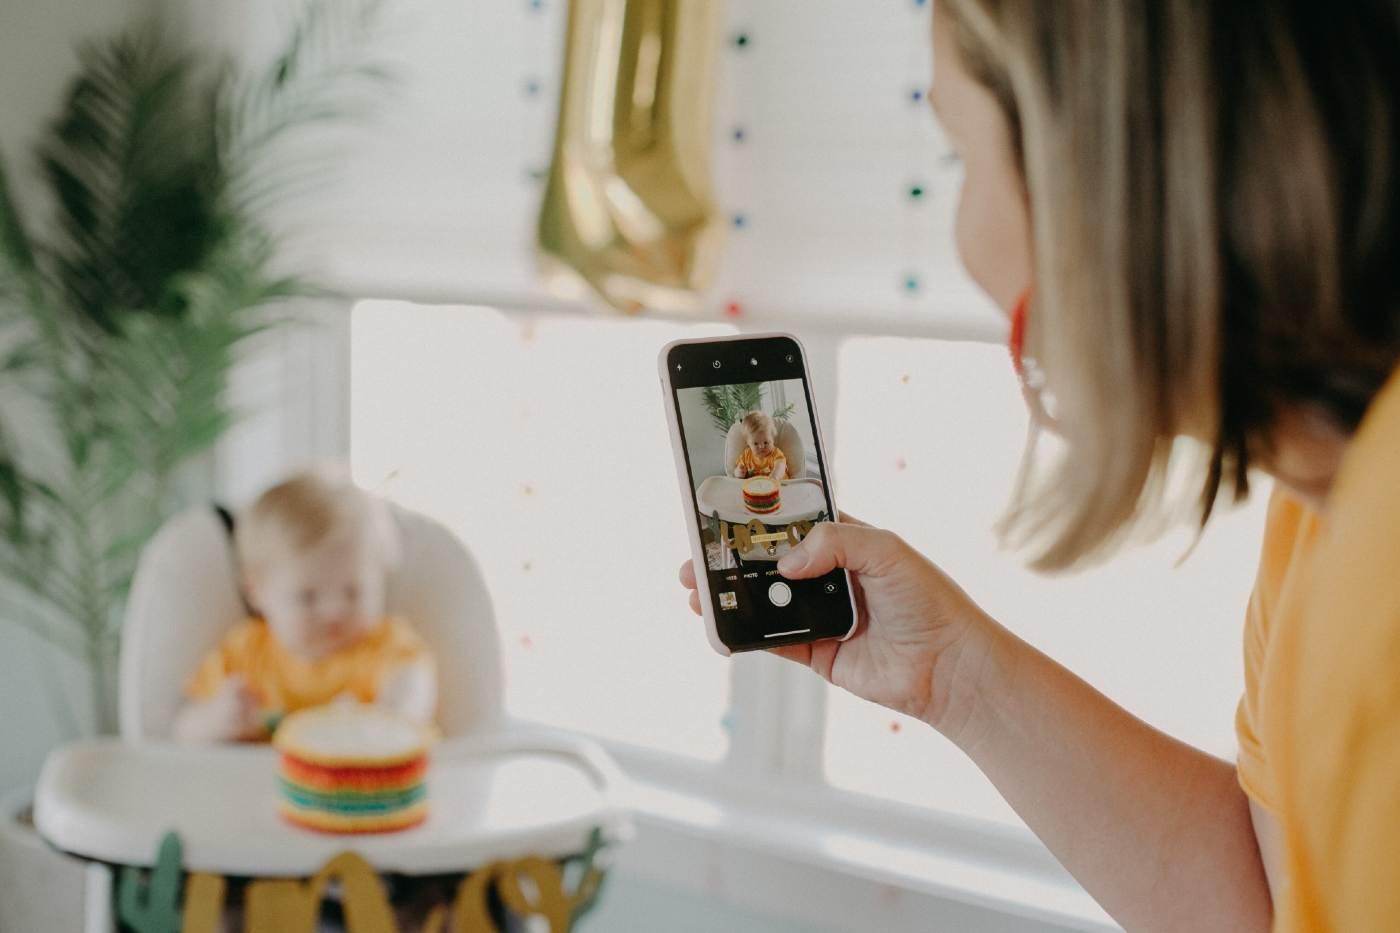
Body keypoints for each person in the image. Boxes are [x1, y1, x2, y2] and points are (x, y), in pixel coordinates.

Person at [680, 2, 1399, 930]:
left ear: (1102, 180)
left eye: (961, 157)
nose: (964, 245)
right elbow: (1272, 898)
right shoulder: (1317, 516)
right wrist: (955, 673)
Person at [174, 469, 437, 742]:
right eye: (307, 597)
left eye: (353, 592)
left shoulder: (384, 646)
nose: (335, 610)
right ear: (256, 593)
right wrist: (216, 719)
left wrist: (393, 712)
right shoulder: (245, 652)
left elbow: (416, 689)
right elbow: (183, 729)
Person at [732, 410, 789, 481]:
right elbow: (736, 470)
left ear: (772, 439)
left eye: (766, 442)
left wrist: (774, 477)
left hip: (777, 487)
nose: (762, 446)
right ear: (748, 443)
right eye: (755, 444)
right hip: (755, 489)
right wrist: (738, 472)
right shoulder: (746, 455)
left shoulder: (776, 454)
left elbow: (781, 466)